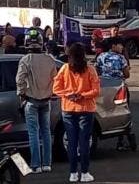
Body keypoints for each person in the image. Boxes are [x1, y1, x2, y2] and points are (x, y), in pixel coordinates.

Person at [53, 43, 100, 183]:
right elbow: (96, 90)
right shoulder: (90, 69)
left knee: (71, 143)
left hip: (68, 108)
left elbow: (56, 88)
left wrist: (68, 94)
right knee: (84, 142)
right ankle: (85, 172)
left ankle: (73, 173)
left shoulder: (65, 68)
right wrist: (83, 95)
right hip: (86, 109)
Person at [16, 36, 57, 174]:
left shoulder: (25, 60)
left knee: (33, 133)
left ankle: (36, 166)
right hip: (46, 101)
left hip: (31, 101)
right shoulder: (50, 59)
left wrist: (21, 94)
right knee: (46, 132)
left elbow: (20, 79)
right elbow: (55, 79)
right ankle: (47, 164)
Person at [95, 38, 131, 150]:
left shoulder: (101, 56)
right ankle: (121, 140)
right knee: (121, 111)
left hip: (104, 87)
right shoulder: (121, 58)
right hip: (118, 88)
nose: (122, 48)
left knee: (104, 110)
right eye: (120, 45)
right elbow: (127, 74)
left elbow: (96, 71)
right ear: (113, 46)